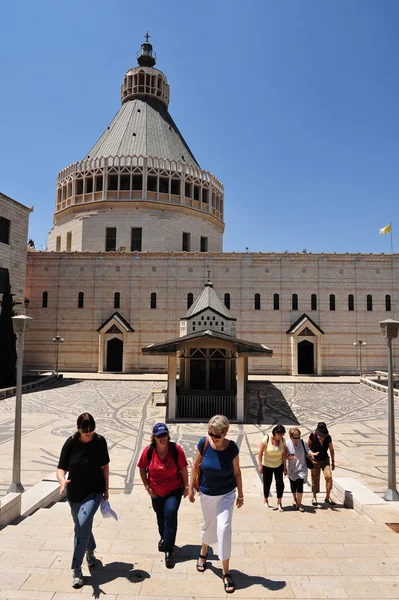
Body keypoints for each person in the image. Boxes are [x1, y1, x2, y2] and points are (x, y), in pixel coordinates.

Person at [188, 414, 243, 594]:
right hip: (207, 493)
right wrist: (190, 488)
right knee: (209, 525)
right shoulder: (204, 443)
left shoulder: (232, 448)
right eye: (210, 434)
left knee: (224, 528)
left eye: (216, 436)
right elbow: (195, 466)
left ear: (225, 433)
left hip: (227, 493)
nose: (213, 438)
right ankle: (204, 551)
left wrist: (241, 494)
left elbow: (237, 472)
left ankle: (226, 572)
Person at [56, 412, 110, 589]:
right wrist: (62, 480)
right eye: (86, 432)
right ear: (78, 429)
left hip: (94, 491)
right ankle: (90, 551)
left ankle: (76, 569)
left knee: (82, 523)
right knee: (82, 526)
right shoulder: (71, 443)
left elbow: (104, 466)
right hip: (74, 493)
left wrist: (106, 489)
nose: (90, 434)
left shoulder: (100, 441)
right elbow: (61, 468)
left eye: (92, 431)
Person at [138, 422, 188, 569]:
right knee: (160, 516)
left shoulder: (175, 449)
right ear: (154, 437)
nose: (162, 438)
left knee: (170, 514)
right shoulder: (149, 451)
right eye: (159, 436)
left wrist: (186, 486)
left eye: (164, 435)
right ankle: (163, 537)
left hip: (173, 489)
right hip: (155, 491)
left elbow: (184, 468)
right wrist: (147, 486)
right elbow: (142, 469)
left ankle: (169, 550)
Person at [257, 424, 287, 512]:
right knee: (267, 483)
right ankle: (266, 499)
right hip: (267, 465)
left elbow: (284, 454)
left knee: (280, 484)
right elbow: (260, 453)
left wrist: (285, 467)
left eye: (282, 434)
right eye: (279, 434)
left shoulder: (283, 440)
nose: (281, 436)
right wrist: (260, 465)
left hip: (278, 464)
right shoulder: (266, 438)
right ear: (275, 432)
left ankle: (279, 502)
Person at [286, 427, 316, 512]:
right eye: (294, 438)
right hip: (292, 468)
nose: (296, 439)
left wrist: (311, 453)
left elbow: (308, 450)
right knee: (293, 485)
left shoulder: (303, 442)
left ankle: (299, 504)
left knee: (299, 485)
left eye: (298, 437)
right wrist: (290, 457)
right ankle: (294, 498)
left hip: (302, 468)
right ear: (290, 437)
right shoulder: (287, 444)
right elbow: (285, 456)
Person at [308, 422, 336, 506]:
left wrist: (333, 462)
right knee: (315, 479)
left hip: (325, 459)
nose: (321, 437)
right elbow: (308, 447)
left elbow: (331, 449)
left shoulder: (328, 438)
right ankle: (314, 497)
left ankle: (327, 497)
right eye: (320, 435)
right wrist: (310, 456)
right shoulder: (312, 436)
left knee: (329, 476)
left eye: (323, 435)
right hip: (315, 460)